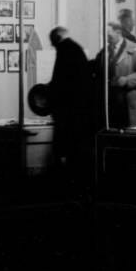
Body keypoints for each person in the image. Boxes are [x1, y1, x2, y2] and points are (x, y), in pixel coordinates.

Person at [47, 26, 95, 193]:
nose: (52, 45)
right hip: (79, 107)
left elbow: (61, 80)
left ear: (57, 38)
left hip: (69, 109)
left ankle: (69, 182)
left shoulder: (65, 49)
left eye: (52, 41)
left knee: (68, 145)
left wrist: (50, 94)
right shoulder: (74, 48)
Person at [105, 21, 136, 128]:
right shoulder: (105, 51)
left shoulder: (135, 48)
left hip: (129, 100)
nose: (106, 37)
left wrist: (126, 80)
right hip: (112, 101)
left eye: (108, 33)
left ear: (118, 32)